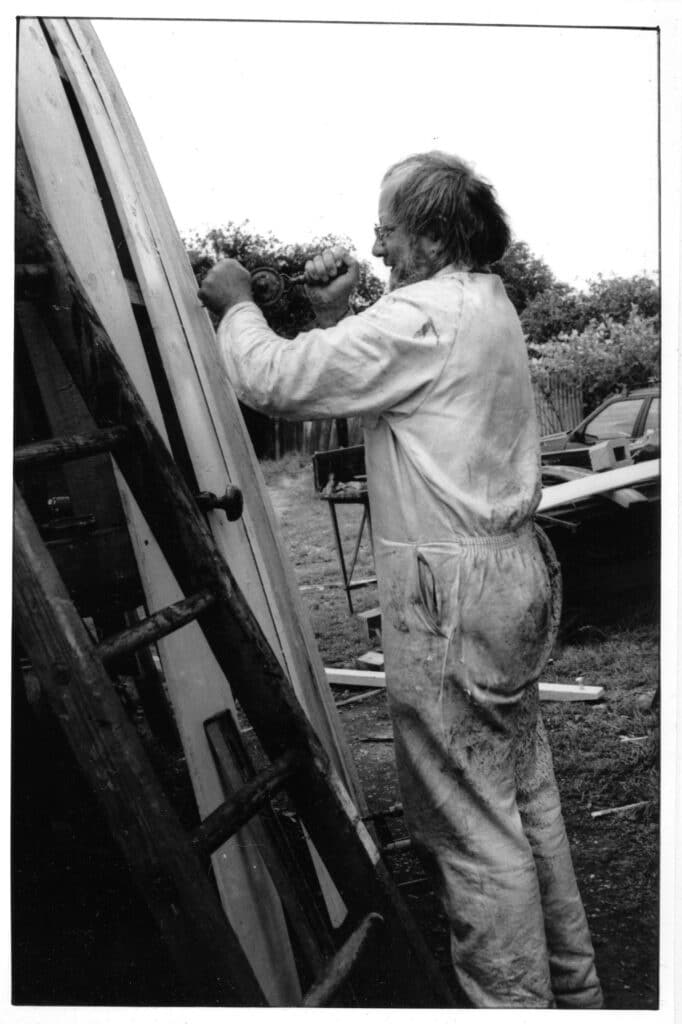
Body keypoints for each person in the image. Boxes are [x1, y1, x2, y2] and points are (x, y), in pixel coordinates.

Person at [198, 151, 603, 1010]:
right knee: (523, 791)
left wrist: (237, 307)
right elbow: (393, 374)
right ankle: (575, 992)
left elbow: (275, 380)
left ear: (426, 232)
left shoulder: (419, 319)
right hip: (509, 574)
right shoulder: (482, 303)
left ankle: (512, 1007)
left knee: (468, 823)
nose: (376, 240)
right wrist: (338, 313)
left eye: (386, 225)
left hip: (450, 591)